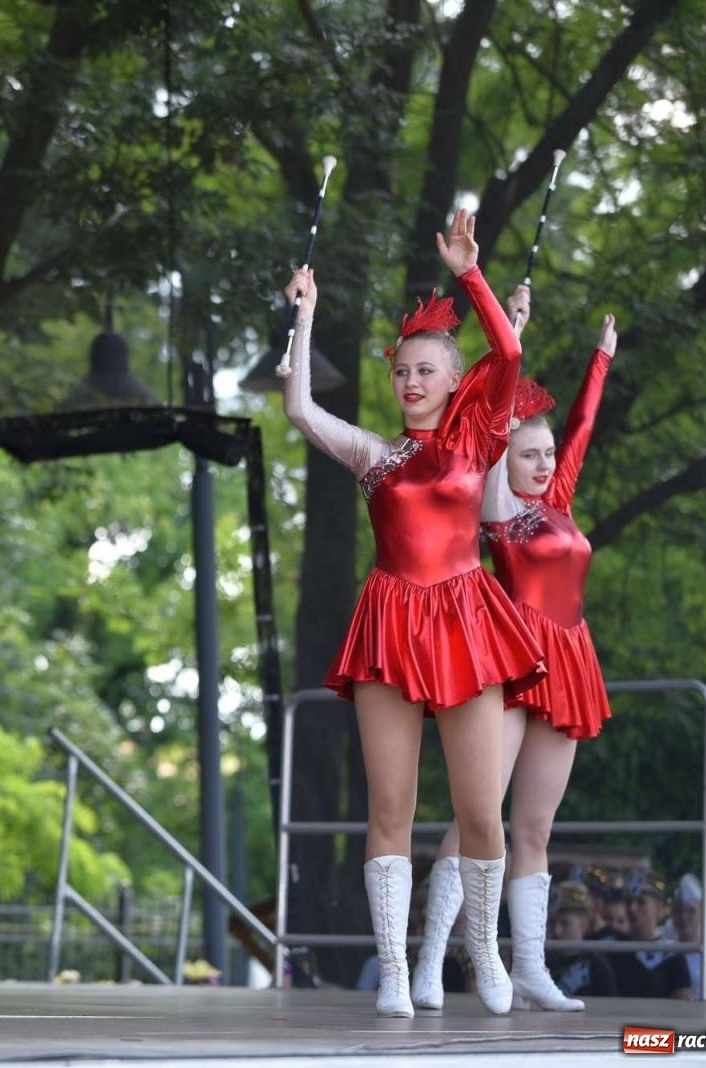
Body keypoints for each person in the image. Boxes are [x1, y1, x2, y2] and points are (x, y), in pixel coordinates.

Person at [281, 209, 541, 1017]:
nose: (411, 381)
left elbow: (509, 354)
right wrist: (306, 316)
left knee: (480, 811)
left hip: (466, 619)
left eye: (427, 370)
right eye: (402, 371)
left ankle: (483, 949)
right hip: (391, 622)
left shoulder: (477, 439)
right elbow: (300, 411)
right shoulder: (375, 454)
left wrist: (471, 273)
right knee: (388, 807)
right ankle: (394, 967)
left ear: (454, 381)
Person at [412, 298, 618, 1013]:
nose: (543, 463)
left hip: (570, 663)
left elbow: (581, 427)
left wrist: (601, 359)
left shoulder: (559, 499)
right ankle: (430, 961)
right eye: (529, 453)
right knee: (479, 815)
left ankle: (530, 967)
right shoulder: (500, 509)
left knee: (534, 828)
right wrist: (515, 332)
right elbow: (494, 421)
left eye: (546, 454)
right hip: (512, 659)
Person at [609, 872, 692, 999]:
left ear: (659, 908)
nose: (632, 908)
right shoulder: (613, 950)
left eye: (641, 902)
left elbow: (684, 1001)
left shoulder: (671, 955)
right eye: (629, 901)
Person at [546, 880, 617, 998]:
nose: (557, 931)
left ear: (583, 925)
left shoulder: (597, 966)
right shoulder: (542, 962)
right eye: (553, 923)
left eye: (565, 923)